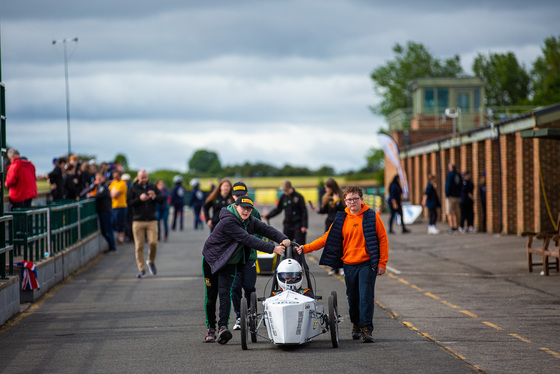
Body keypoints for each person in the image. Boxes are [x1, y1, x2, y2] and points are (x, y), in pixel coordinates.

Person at [296, 185, 389, 343]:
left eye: (355, 199)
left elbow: (383, 239)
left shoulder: (371, 216)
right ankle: (356, 324)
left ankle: (367, 329)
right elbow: (326, 238)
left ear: (361, 199)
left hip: (367, 264)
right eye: (349, 200)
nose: (352, 202)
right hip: (348, 264)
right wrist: (306, 248)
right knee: (352, 298)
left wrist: (382, 263)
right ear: (344, 201)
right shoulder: (341, 218)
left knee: (365, 296)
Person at [202, 196, 290, 344]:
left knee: (225, 293)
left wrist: (282, 237)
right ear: (236, 207)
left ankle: (223, 328)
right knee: (211, 296)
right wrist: (273, 248)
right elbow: (247, 239)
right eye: (244, 208)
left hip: (229, 262)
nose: (247, 211)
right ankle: (211, 328)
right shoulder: (228, 221)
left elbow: (265, 229)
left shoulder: (249, 220)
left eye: (249, 209)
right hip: (211, 260)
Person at [230, 182, 260, 331]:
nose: (239, 197)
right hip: (234, 257)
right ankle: (239, 316)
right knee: (235, 287)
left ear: (246, 194)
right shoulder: (229, 212)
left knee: (249, 286)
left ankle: (250, 313)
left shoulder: (254, 213)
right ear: (232, 197)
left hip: (249, 256)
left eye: (241, 194)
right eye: (236, 195)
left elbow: (260, 232)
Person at [127, 169, 165, 278]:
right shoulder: (133, 188)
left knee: (153, 242)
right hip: (138, 220)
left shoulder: (152, 186)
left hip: (151, 220)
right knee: (139, 246)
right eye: (142, 178)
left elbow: (162, 199)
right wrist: (139, 199)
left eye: (145, 177)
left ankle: (151, 261)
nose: (144, 180)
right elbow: (128, 203)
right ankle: (141, 269)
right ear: (138, 177)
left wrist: (155, 196)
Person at [263, 180, 308, 263]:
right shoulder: (284, 197)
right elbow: (278, 209)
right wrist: (268, 215)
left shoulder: (298, 197)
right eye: (284, 191)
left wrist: (304, 225)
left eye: (286, 190)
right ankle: (286, 262)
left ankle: (298, 265)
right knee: (285, 243)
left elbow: (304, 211)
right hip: (287, 224)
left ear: (290, 188)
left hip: (298, 224)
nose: (285, 192)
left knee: (298, 246)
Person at [312, 177, 346, 275]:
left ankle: (340, 267)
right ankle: (333, 267)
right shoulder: (327, 196)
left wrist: (337, 201)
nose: (326, 190)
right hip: (329, 223)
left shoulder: (341, 196)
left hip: (339, 223)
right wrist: (317, 210)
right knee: (331, 247)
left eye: (327, 188)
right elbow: (325, 210)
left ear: (332, 187)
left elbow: (343, 209)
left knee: (340, 246)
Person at [87, 172, 116, 253]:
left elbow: (99, 195)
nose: (97, 180)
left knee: (108, 230)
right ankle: (111, 246)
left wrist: (91, 196)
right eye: (96, 179)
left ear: (103, 178)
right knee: (103, 230)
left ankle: (112, 247)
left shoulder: (104, 187)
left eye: (99, 179)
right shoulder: (98, 186)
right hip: (101, 210)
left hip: (105, 211)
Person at [109, 170, 128, 244]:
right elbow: (110, 192)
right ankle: (119, 238)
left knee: (120, 223)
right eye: (114, 175)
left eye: (116, 175)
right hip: (114, 206)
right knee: (114, 223)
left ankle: (120, 238)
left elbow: (114, 194)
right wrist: (113, 192)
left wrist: (113, 192)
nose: (115, 177)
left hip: (121, 206)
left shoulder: (122, 183)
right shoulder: (114, 183)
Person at [445, 162, 462, 234]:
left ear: (450, 168)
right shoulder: (458, 175)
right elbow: (461, 185)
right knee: (456, 212)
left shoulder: (450, 175)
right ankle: (456, 226)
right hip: (458, 196)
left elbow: (447, 185)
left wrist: (447, 194)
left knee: (450, 212)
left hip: (451, 196)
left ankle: (452, 227)